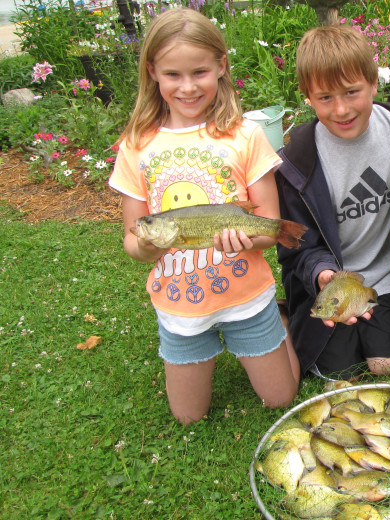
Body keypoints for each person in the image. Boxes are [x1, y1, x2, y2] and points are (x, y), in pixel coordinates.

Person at [108, 8, 299, 425]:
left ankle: (278, 320)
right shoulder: (137, 145)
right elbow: (132, 239)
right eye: (173, 74)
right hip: (180, 306)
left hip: (246, 297)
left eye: (199, 72)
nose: (188, 86)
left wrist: (252, 238)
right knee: (188, 417)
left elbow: (269, 226)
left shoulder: (245, 134)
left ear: (221, 67)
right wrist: (143, 243)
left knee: (281, 399)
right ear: (153, 72)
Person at [275, 25, 390, 380]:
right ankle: (284, 313)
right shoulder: (297, 163)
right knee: (340, 373)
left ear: (374, 83)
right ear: (308, 97)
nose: (342, 109)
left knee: (386, 366)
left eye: (352, 92)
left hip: (388, 277)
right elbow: (298, 246)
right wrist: (323, 275)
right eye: (325, 97)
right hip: (333, 283)